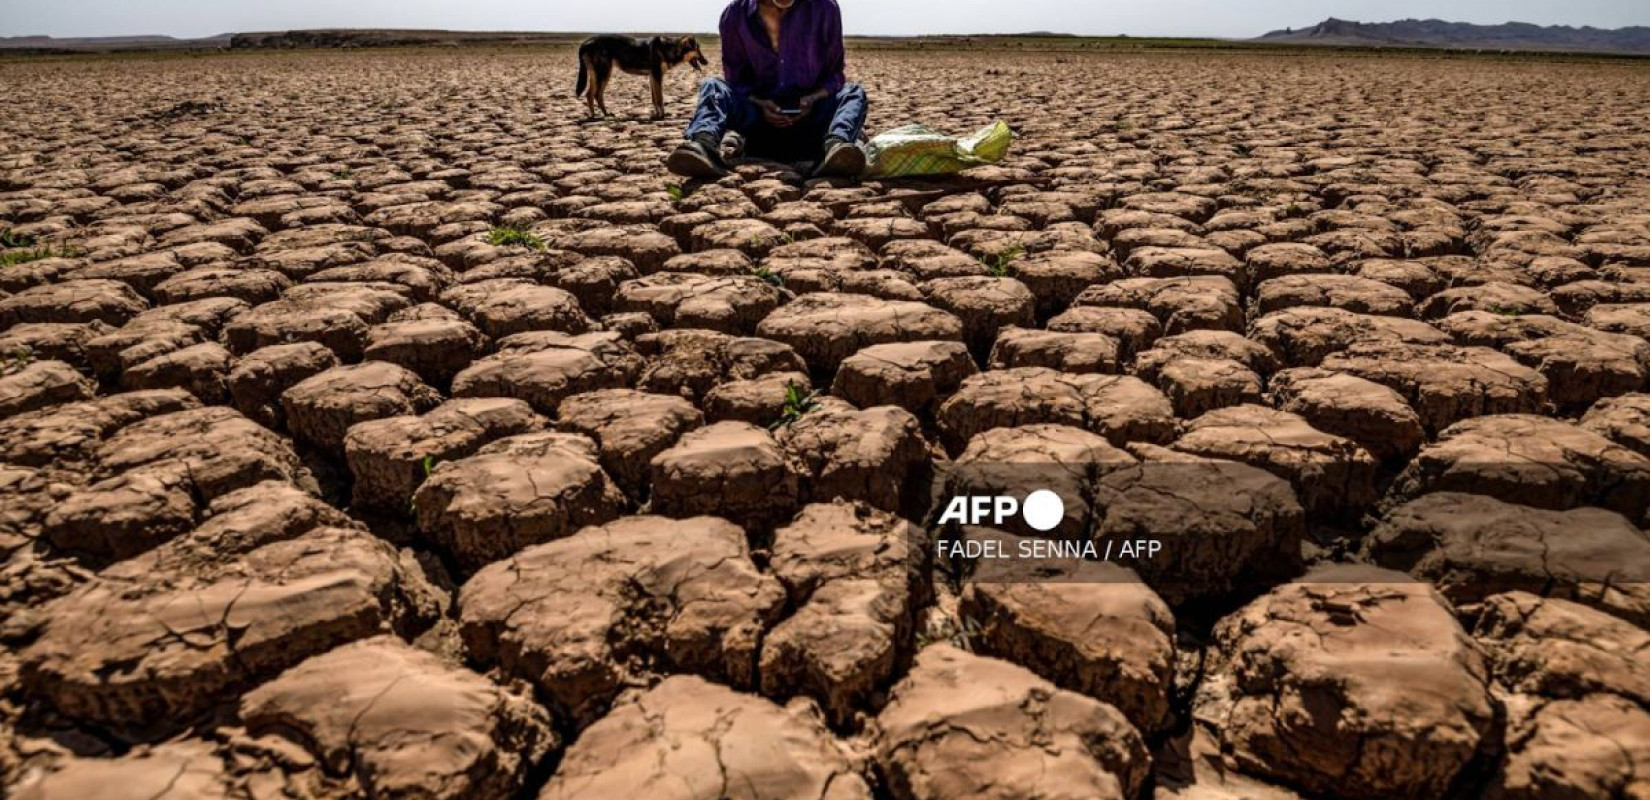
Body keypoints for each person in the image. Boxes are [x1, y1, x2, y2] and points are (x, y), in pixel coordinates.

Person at [667, 0, 868, 179]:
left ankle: (837, 149)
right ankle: (703, 146)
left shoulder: (824, 8)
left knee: (853, 93)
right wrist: (759, 103)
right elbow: (736, 78)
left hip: (811, 116)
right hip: (759, 118)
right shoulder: (735, 15)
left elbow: (835, 75)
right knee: (713, 86)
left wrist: (812, 99)